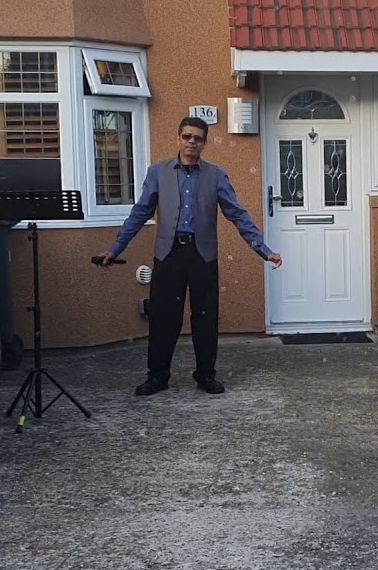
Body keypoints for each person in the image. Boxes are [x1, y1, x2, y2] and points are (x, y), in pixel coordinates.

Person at [97, 117, 283, 396]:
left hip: (202, 255)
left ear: (204, 143)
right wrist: (116, 248)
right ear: (178, 138)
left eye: (197, 138)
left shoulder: (216, 175)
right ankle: (157, 376)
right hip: (168, 254)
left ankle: (205, 375)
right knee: (163, 318)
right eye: (186, 136)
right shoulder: (158, 173)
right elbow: (140, 213)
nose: (191, 142)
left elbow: (237, 214)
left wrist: (263, 250)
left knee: (206, 318)